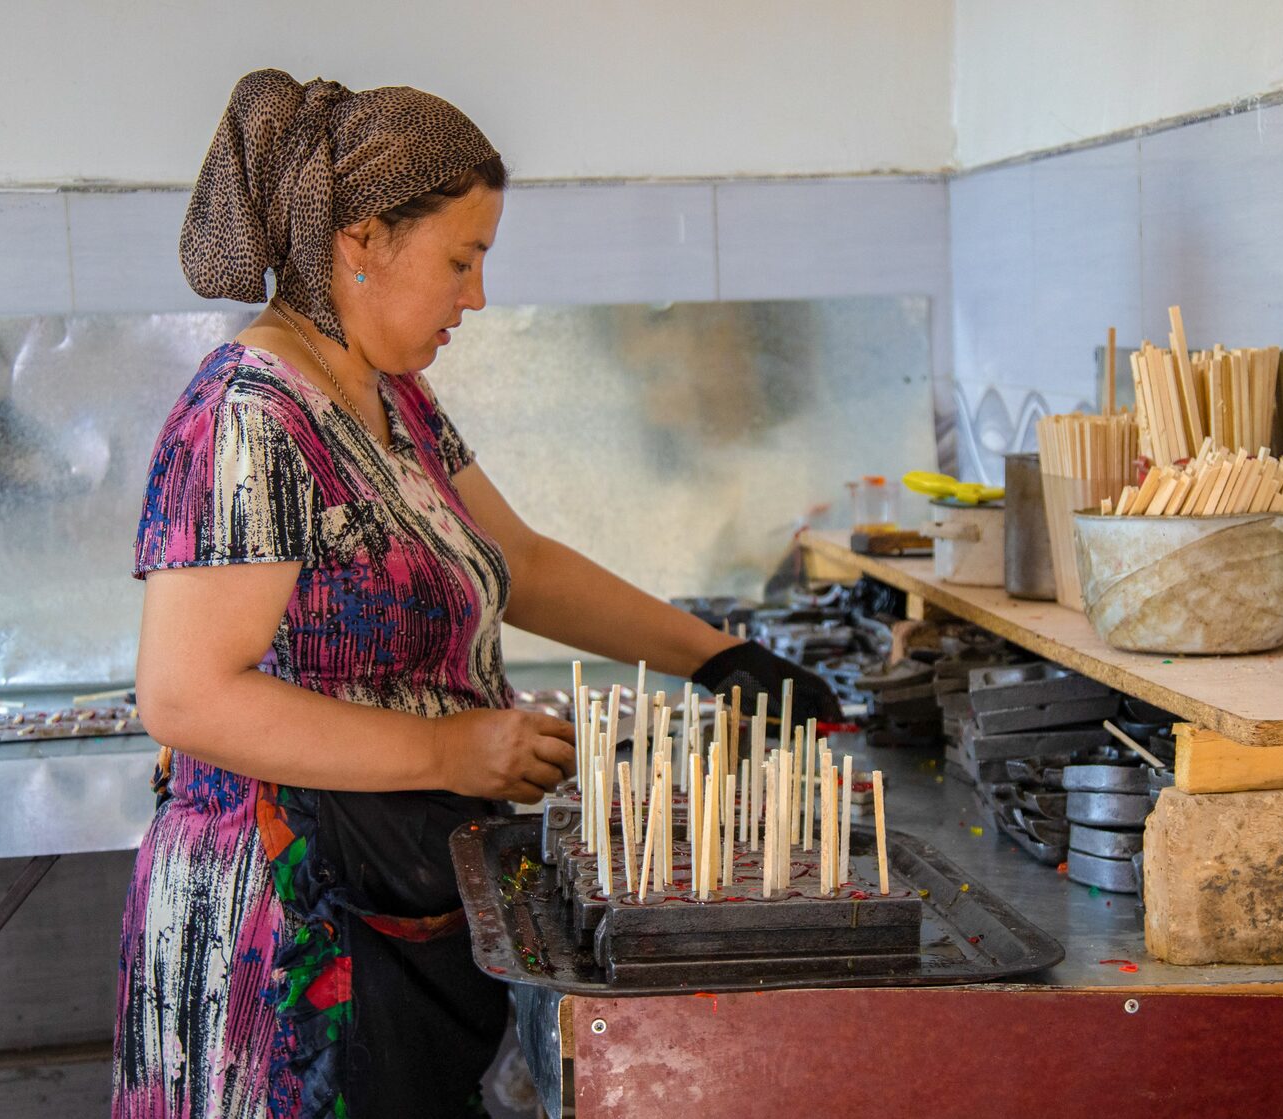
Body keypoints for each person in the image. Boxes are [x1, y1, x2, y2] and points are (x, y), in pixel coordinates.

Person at [114, 69, 840, 1119]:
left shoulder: (390, 396)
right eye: (462, 259)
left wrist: (717, 656)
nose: (477, 296)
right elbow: (186, 699)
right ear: (362, 241)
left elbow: (522, 564)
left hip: (398, 891)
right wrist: (455, 750)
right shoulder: (250, 418)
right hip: (288, 934)